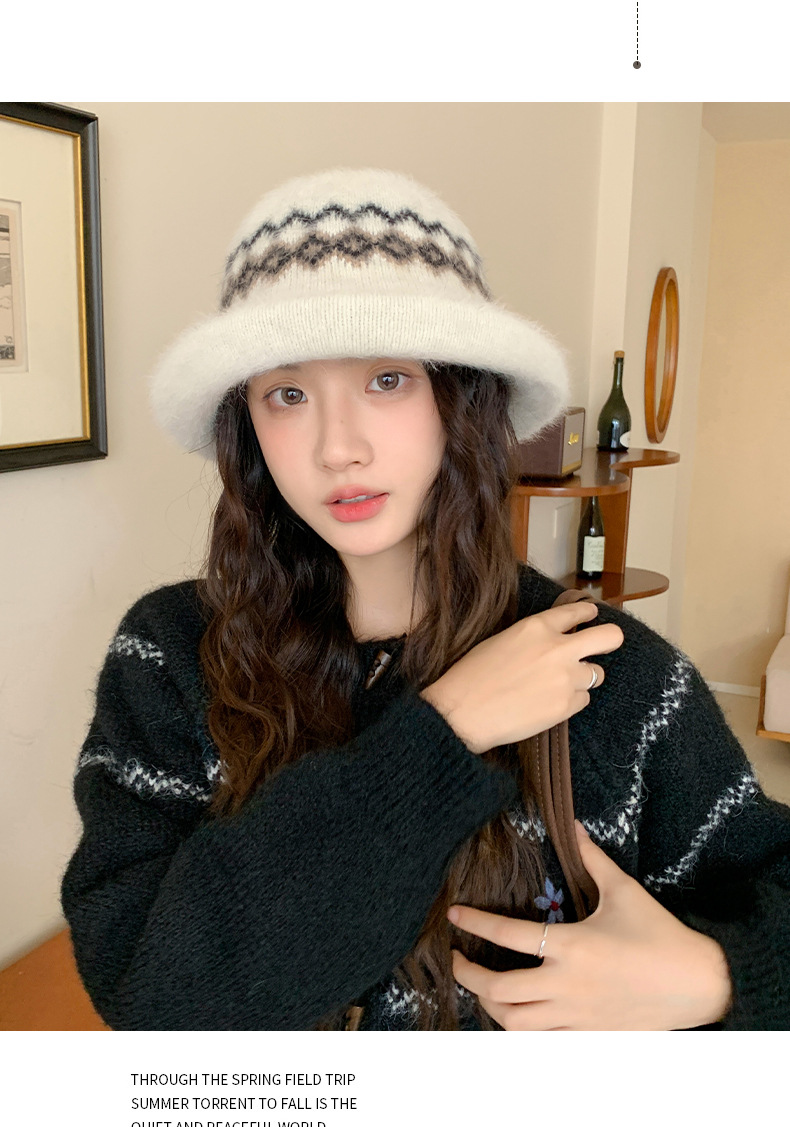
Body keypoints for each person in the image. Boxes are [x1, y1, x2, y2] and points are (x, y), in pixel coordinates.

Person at [62, 169, 790, 1031]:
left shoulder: (609, 677)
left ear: (461, 396)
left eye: (387, 379)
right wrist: (444, 733)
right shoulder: (171, 658)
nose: (338, 447)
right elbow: (154, 1001)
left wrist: (717, 976)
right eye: (288, 394)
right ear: (246, 424)